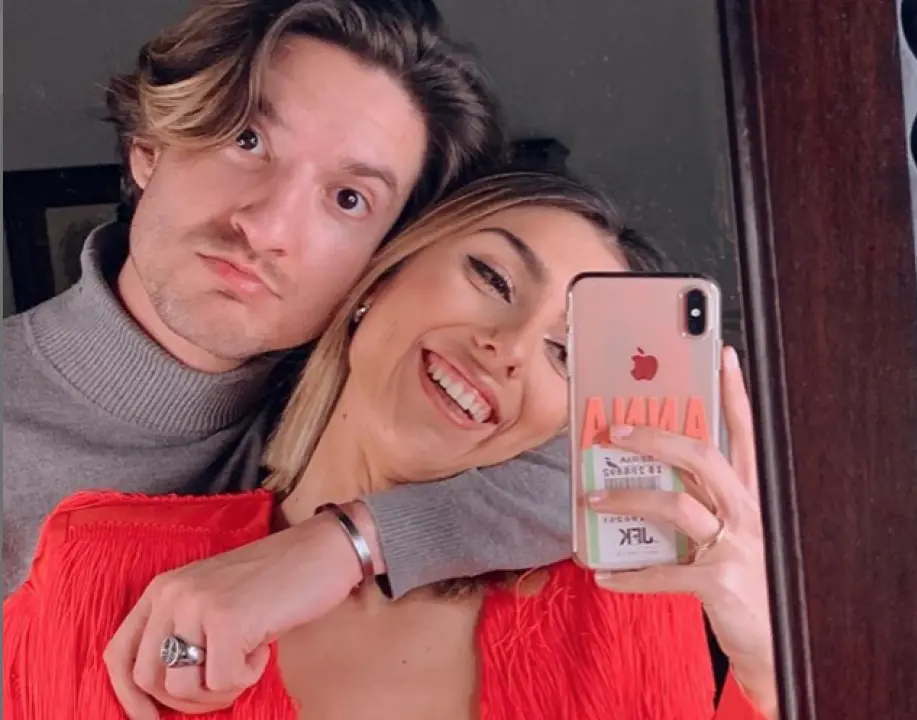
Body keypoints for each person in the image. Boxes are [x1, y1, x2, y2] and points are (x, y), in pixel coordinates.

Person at [3, 171, 778, 720]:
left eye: (565, 355)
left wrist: (773, 678)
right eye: (493, 278)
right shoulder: (99, 561)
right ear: (378, 280)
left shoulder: (619, 606)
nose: (508, 348)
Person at [1, 1, 591, 708]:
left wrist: (351, 543)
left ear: (384, 260)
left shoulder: (362, 401)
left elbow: (635, 465)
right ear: (151, 145)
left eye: (348, 198)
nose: (268, 228)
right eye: (247, 140)